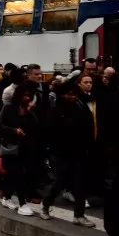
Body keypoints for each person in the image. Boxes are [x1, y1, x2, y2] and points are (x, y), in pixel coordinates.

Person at [40, 80, 96, 227]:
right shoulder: (56, 111)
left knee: (80, 183)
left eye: (74, 94)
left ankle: (79, 215)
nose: (73, 97)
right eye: (69, 94)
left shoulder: (80, 107)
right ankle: (46, 204)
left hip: (79, 151)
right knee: (60, 182)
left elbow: (89, 126)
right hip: (62, 153)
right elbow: (51, 133)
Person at [0, 81, 40, 216]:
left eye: (30, 96)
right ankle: (22, 203)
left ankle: (7, 197)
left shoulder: (29, 111)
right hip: (11, 148)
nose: (27, 98)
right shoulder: (9, 108)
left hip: (25, 148)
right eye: (25, 95)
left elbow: (36, 128)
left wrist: (30, 113)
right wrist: (13, 131)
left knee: (12, 174)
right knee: (19, 174)